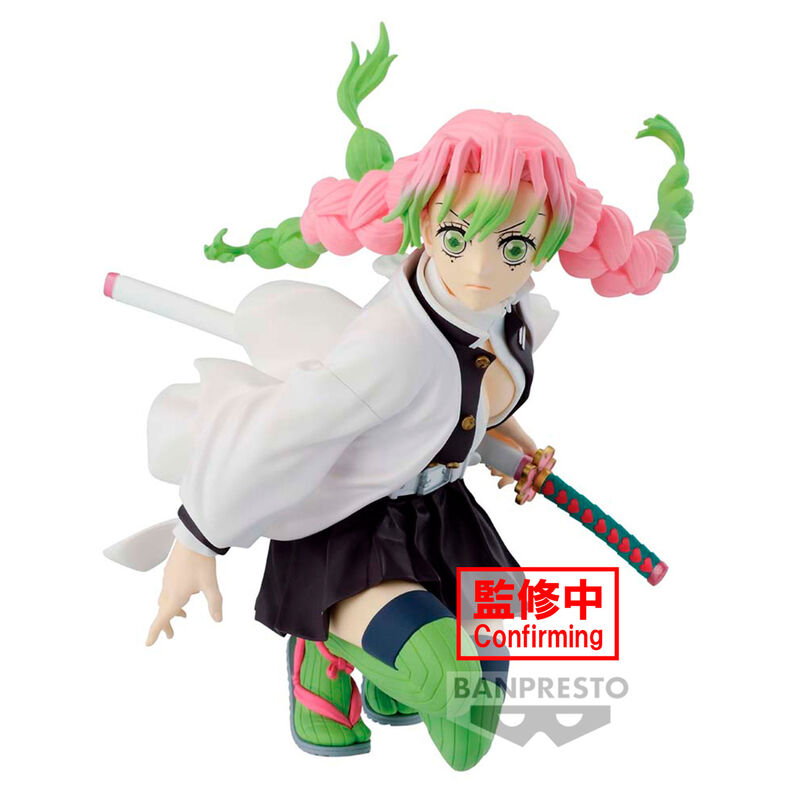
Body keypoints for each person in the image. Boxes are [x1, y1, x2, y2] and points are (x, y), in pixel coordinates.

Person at [124, 25, 691, 770]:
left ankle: (390, 674)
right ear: (426, 221)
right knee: (449, 678)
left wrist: (508, 442)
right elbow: (279, 432)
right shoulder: (391, 346)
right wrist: (198, 540)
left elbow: (467, 399)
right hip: (351, 526)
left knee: (482, 681)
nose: (482, 268)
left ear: (545, 247)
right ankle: (326, 651)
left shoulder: (510, 313)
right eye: (458, 237)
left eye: (513, 246)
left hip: (440, 514)